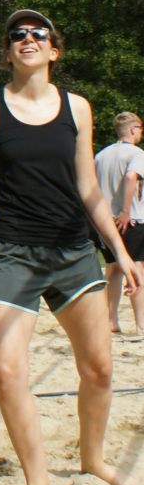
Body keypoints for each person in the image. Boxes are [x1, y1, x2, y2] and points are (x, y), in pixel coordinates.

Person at [0, 8, 143, 485]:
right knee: (9, 370)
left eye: (38, 33)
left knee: (99, 369)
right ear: (8, 50)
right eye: (17, 34)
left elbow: (89, 188)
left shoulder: (77, 108)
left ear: (53, 50)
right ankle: (36, 484)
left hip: (73, 251)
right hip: (12, 252)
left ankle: (92, 459)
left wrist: (120, 252)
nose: (28, 38)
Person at [95, 111, 144, 336]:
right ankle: (141, 325)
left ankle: (111, 321)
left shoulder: (101, 155)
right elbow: (131, 177)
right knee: (137, 269)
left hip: (105, 221)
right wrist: (125, 211)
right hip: (130, 219)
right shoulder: (136, 153)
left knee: (113, 268)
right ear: (133, 129)